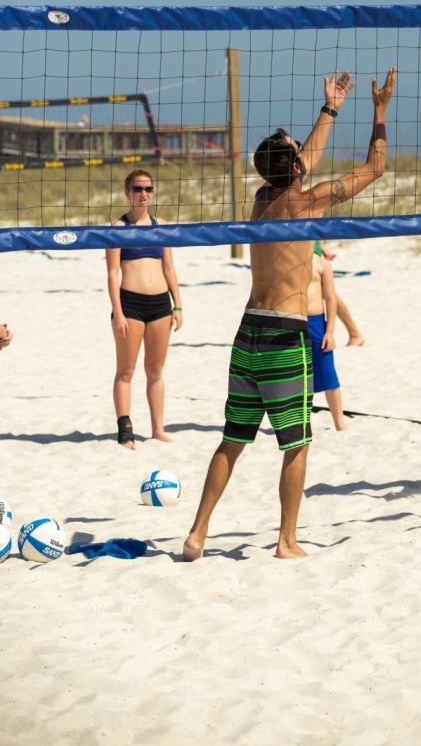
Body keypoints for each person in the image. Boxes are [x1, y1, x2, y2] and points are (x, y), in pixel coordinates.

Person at [184, 66, 397, 561]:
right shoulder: (307, 203)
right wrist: (380, 111)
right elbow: (375, 168)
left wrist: (331, 108)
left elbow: (303, 160)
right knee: (297, 443)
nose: (303, 154)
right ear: (296, 169)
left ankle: (197, 533)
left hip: (247, 335)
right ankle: (286, 541)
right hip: (285, 335)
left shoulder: (263, 198)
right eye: (297, 152)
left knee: (232, 440)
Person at [106, 169, 183, 449]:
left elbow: (169, 267)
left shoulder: (161, 225)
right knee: (126, 371)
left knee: (155, 370)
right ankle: (125, 431)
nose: (143, 194)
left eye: (148, 189)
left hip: (160, 304)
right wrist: (118, 312)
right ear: (127, 192)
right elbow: (113, 273)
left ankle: (158, 429)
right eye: (138, 189)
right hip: (130, 304)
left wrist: (178, 305)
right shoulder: (118, 228)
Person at [308, 243, 345, 430]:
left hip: (316, 324)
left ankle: (340, 424)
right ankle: (302, 423)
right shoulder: (289, 262)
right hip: (293, 322)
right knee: (298, 377)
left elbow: (330, 299)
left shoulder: (322, 264)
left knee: (328, 374)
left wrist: (329, 332)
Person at [317, 241, 365, 346]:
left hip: (306, 246)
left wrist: (321, 246)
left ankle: (354, 333)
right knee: (322, 290)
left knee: (324, 289)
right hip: (300, 245)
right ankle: (354, 333)